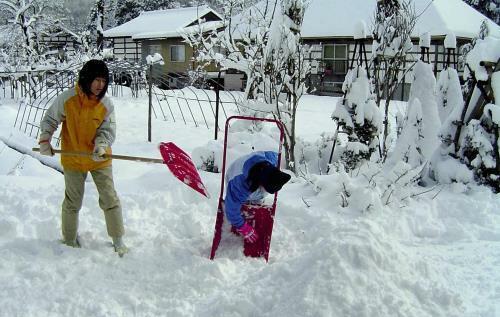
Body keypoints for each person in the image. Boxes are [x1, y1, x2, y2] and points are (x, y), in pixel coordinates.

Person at [38, 59, 128, 257]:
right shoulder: (67, 99)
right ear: (87, 79)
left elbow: (108, 129)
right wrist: (45, 140)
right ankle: (69, 240)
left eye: (104, 81)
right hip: (74, 158)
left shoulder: (106, 104)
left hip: (100, 158)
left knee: (109, 198)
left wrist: (102, 144)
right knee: (72, 201)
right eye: (96, 80)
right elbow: (51, 119)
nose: (100, 85)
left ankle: (118, 240)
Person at [224, 151, 291, 243]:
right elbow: (231, 208)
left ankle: (256, 202)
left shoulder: (272, 160)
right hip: (235, 175)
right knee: (238, 201)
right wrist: (242, 227)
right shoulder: (240, 184)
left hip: (254, 174)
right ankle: (245, 205)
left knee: (258, 196)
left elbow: (277, 155)